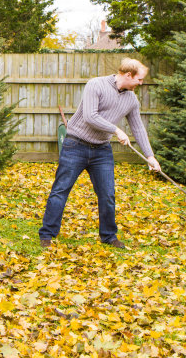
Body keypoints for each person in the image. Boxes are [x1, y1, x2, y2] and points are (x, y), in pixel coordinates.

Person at [39, 58, 161, 249]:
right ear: (129, 75)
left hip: (101, 151)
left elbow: (138, 128)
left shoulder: (131, 99)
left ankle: (109, 236)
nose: (141, 83)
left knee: (107, 194)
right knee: (61, 190)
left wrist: (150, 156)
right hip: (75, 145)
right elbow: (90, 116)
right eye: (140, 79)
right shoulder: (96, 84)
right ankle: (47, 234)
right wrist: (116, 130)